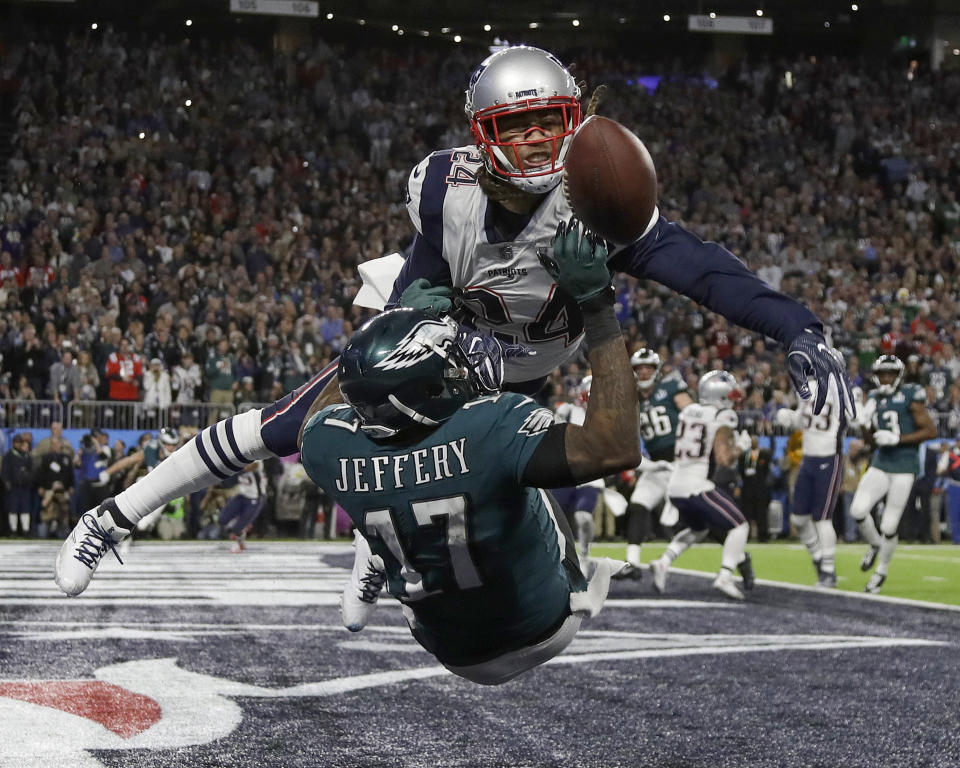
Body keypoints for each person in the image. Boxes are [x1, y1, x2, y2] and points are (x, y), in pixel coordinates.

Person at [53, 45, 852, 598]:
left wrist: (797, 328)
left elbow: (705, 269)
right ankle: (115, 514)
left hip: (531, 369)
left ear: (576, 120)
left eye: (552, 120)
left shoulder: (601, 203)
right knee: (291, 424)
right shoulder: (447, 192)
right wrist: (426, 325)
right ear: (483, 135)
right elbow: (413, 298)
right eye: (518, 125)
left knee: (493, 513)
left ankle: (383, 551)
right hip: (446, 350)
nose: (539, 138)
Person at [300, 222, 639, 685]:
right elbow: (616, 448)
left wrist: (390, 324)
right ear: (424, 392)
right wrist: (599, 309)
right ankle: (576, 584)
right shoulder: (491, 426)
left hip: (447, 647)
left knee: (401, 502)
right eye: (451, 362)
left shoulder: (329, 446)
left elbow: (336, 400)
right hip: (543, 628)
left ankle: (374, 556)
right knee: (526, 473)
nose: (464, 363)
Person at [649, 371, 753, 600]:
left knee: (698, 529)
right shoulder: (721, 414)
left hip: (675, 486)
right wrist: (741, 447)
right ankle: (725, 576)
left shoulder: (689, 411)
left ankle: (664, 562)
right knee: (740, 526)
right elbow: (724, 458)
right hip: (696, 485)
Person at [850, 355, 937, 593]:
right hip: (881, 462)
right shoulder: (876, 398)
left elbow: (931, 431)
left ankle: (881, 572)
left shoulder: (910, 395)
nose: (886, 378)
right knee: (857, 510)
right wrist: (864, 424)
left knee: (889, 525)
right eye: (882, 374)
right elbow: (872, 440)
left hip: (905, 466)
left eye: (890, 373)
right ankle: (875, 545)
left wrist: (898, 439)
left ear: (898, 375)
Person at [621, 348, 693, 577]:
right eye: (638, 369)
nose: (643, 373)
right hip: (657, 464)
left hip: (682, 461)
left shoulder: (670, 388)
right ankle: (632, 564)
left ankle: (738, 558)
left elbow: (694, 414)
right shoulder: (631, 400)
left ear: (657, 370)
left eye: (647, 368)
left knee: (701, 514)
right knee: (638, 506)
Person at [775, 379, 845, 586]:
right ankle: (817, 557)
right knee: (798, 518)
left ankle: (829, 570)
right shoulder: (809, 388)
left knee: (822, 519)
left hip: (829, 457)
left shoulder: (840, 389)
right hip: (808, 459)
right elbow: (804, 420)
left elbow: (854, 418)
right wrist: (790, 417)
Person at [552, 375, 604, 572]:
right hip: (566, 472)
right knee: (553, 521)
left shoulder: (608, 416)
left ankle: (584, 554)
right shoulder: (567, 411)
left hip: (590, 474)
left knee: (584, 517)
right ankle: (557, 556)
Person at [217, 460, 267, 553]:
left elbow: (252, 466)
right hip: (242, 495)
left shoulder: (255, 458)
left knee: (237, 528)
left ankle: (238, 542)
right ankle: (240, 525)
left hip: (255, 499)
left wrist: (236, 469)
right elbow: (226, 484)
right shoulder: (235, 460)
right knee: (222, 519)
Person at [737, 435, 773, 542]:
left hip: (760, 489)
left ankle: (763, 536)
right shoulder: (744, 456)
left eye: (755, 441)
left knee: (761, 513)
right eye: (752, 441)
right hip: (747, 489)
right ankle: (745, 536)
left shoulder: (764, 455)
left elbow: (767, 470)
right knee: (746, 513)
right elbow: (740, 471)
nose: (753, 443)